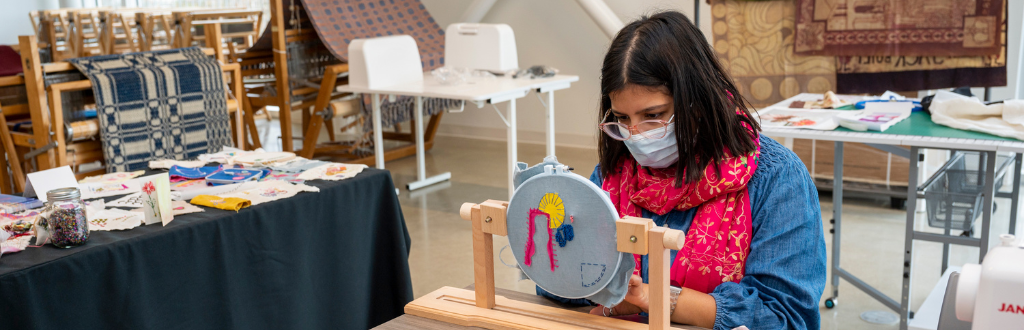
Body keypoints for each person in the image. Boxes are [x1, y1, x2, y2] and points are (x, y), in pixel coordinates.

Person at [537, 11, 826, 330]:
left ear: (697, 101)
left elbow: (784, 316)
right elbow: (559, 284)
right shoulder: (617, 174)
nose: (636, 134)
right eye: (622, 119)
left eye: (653, 115)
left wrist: (656, 299)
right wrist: (555, 249)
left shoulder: (776, 178)